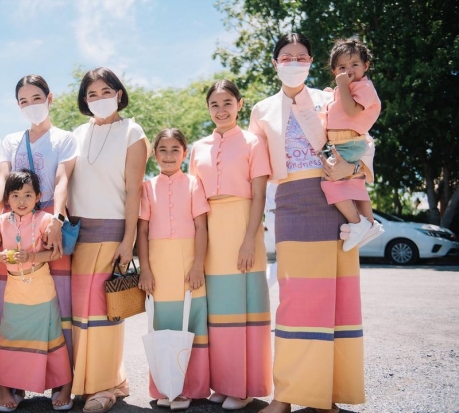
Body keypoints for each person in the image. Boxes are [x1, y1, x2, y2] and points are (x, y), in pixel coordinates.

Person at [248, 33, 373, 413]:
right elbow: (256, 171)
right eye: (286, 57)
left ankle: (325, 397)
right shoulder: (261, 110)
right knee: (294, 302)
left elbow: (363, 136)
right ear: (275, 63)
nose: (294, 62)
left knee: (335, 301)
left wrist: (352, 166)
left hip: (335, 201)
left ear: (311, 61)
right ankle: (285, 396)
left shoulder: (329, 96)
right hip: (288, 204)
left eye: (301, 56)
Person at [67, 67, 150, 413]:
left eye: (105, 91)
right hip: (77, 234)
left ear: (119, 93)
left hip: (112, 231)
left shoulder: (132, 132)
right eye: (92, 94)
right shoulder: (74, 134)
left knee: (104, 314)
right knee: (79, 315)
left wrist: (128, 240)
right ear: (84, 101)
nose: (99, 99)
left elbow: (134, 193)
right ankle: (104, 380)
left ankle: (104, 388)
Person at [0, 75, 77, 386]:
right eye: (24, 101)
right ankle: (16, 384)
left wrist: (58, 218)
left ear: (49, 98)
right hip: (13, 225)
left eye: (36, 99)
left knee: (56, 305)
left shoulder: (65, 138)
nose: (30, 106)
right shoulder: (11, 140)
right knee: (13, 308)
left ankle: (57, 381)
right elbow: (3, 181)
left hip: (47, 221)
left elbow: (64, 180)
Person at [189, 79, 272, 410]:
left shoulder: (253, 142)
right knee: (219, 313)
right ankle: (223, 382)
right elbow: (194, 199)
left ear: (240, 104)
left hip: (243, 226)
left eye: (227, 103)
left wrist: (249, 241)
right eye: (214, 105)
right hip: (210, 230)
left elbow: (260, 195)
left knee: (245, 309)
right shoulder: (197, 147)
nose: (221, 110)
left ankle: (245, 386)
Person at [137, 128, 211, 411]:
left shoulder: (193, 184)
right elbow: (142, 231)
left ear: (185, 153)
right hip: (158, 263)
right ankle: (162, 386)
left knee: (191, 323)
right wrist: (145, 269)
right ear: (154, 154)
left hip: (188, 262)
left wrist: (197, 265)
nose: (169, 156)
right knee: (161, 324)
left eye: (175, 150)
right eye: (163, 150)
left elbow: (202, 227)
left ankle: (189, 388)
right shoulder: (146, 186)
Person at [0, 169, 73, 412]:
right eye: (15, 196)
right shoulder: (1, 222)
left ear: (38, 196)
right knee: (10, 335)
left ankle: (65, 386)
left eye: (27, 195)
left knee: (52, 336)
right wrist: (1, 256)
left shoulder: (46, 220)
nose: (21, 201)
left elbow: (56, 253)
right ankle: (6, 389)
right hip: (15, 287)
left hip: (41, 286)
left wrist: (33, 255)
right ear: (7, 199)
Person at [320, 37, 383, 251]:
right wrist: (335, 92)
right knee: (354, 184)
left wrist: (341, 86)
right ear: (334, 70)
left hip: (349, 143)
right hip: (344, 144)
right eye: (342, 67)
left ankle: (358, 224)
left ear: (365, 66)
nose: (348, 71)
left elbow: (351, 111)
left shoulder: (362, 86)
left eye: (354, 65)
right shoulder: (346, 87)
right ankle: (370, 223)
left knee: (329, 181)